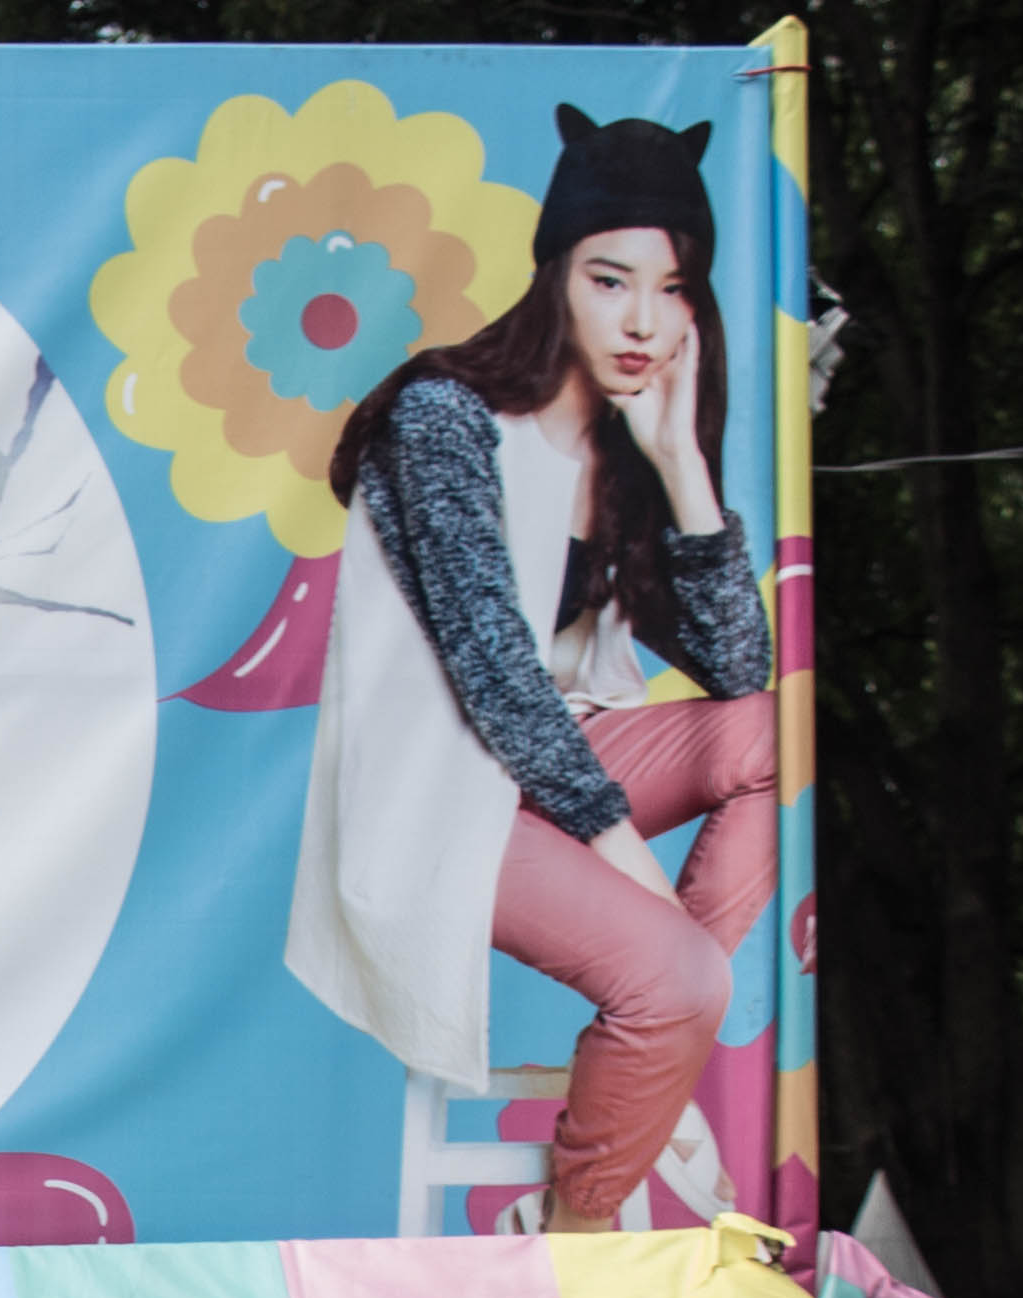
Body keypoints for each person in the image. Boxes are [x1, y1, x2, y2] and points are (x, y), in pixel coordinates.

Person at [293, 108, 773, 1237]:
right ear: (556, 274)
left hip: (564, 768)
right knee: (680, 979)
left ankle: (649, 1059)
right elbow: (496, 676)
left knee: (772, 733)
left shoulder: (629, 445)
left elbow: (738, 666)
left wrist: (681, 466)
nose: (643, 321)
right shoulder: (444, 420)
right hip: (444, 793)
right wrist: (632, 867)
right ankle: (579, 1231)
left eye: (673, 290)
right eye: (611, 281)